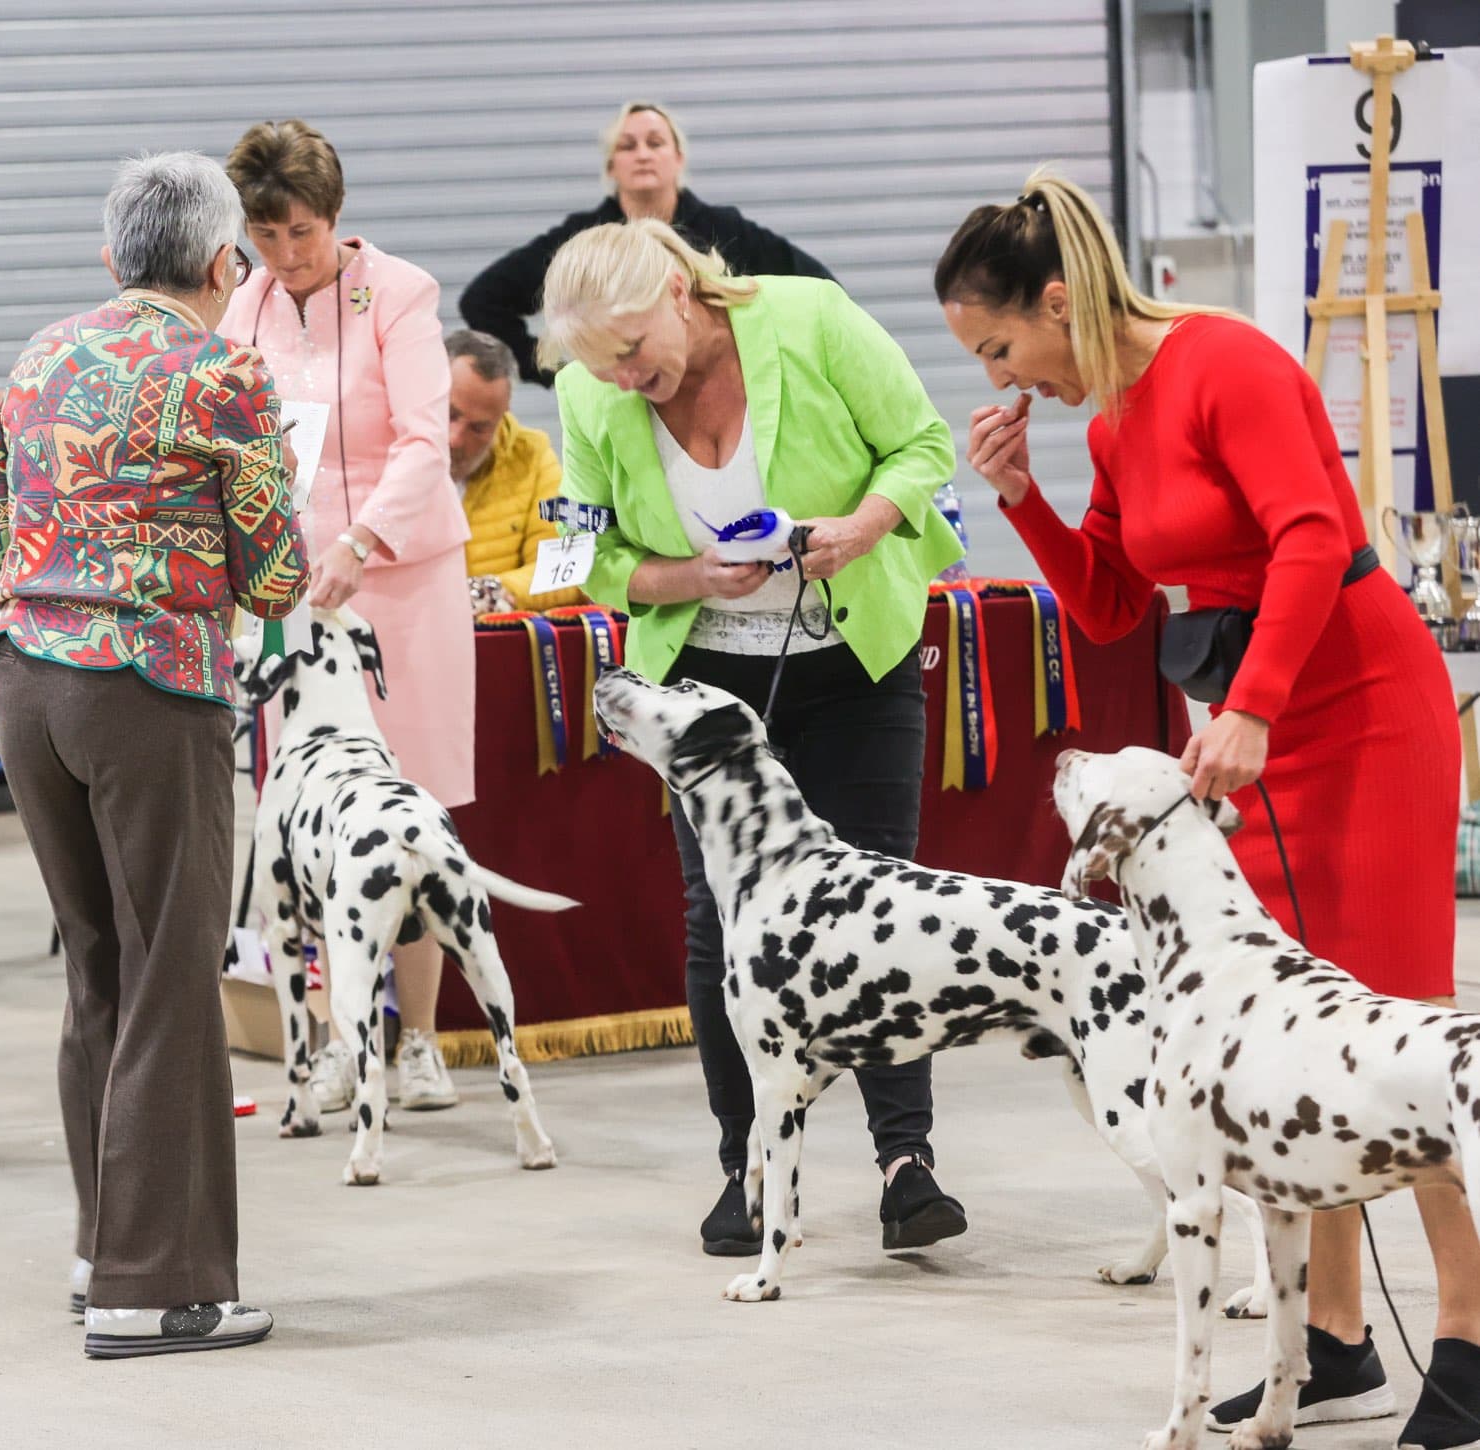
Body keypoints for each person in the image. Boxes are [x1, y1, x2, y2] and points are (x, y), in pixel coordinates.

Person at [939, 168, 1480, 1447]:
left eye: (1003, 346)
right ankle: (1335, 1339)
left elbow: (1308, 535)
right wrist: (1024, 502)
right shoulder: (1118, 418)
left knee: (1395, 1039)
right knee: (1297, 1052)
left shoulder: (1222, 362)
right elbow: (1120, 604)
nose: (1007, 379)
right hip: (1252, 728)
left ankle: (1466, 1337)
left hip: (1353, 713)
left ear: (1059, 300)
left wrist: (1255, 702)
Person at [542, 218, 970, 1259]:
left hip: (852, 658)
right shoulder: (588, 392)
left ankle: (904, 1163)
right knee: (718, 920)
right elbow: (585, 558)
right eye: (601, 364)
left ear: (681, 295)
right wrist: (690, 579)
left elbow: (924, 447)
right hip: (703, 674)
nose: (624, 378)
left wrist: (863, 528)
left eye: (634, 351)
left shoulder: (810, 318)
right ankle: (746, 1164)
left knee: (880, 900)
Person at [0, 151, 304, 1356]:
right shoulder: (224, 368)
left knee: (100, 971)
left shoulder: (40, 355)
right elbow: (273, 572)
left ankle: (99, 1246)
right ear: (226, 263)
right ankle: (153, 1288)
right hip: (149, 685)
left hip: (25, 675)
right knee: (175, 975)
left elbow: (4, 530)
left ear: (113, 257)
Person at [221, 119, 474, 1114]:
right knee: (306, 822)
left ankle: (421, 1042)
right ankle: (335, 1038)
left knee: (407, 811)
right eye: (266, 235)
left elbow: (424, 440)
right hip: (287, 591)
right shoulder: (242, 306)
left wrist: (360, 541)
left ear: (336, 217)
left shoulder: (398, 295)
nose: (286, 256)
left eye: (303, 234)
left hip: (397, 575)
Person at [461, 101, 833, 388]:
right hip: (631, 395)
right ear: (611, 167)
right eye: (627, 146)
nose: (642, 153)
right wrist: (560, 373)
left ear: (678, 159)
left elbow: (820, 290)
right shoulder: (581, 241)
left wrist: (781, 366)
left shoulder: (723, 229)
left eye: (655, 143)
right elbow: (483, 300)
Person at [445, 329, 583, 614]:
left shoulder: (532, 456)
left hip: (493, 645)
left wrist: (482, 593)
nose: (455, 438)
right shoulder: (378, 450)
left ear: (503, 414)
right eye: (449, 414)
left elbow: (565, 570)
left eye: (479, 428)